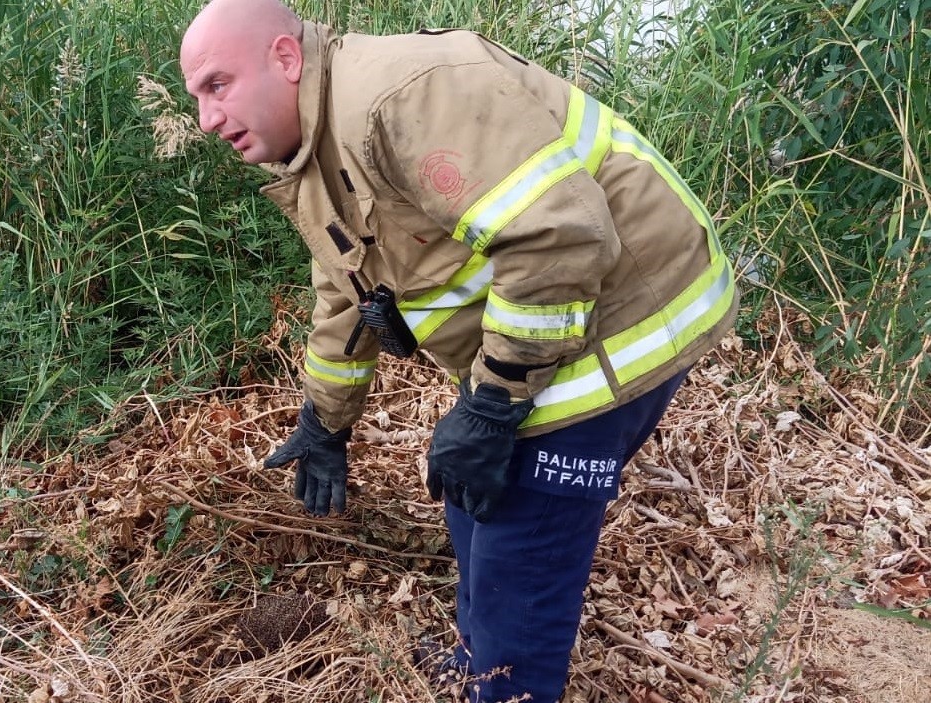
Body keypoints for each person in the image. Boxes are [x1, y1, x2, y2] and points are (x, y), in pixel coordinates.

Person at [179, 0, 738, 700]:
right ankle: (477, 660)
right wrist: (324, 421)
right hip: (560, 315)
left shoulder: (400, 98)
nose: (206, 120)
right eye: (197, 98)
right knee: (469, 497)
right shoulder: (320, 147)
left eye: (216, 85)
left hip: (626, 310)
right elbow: (345, 293)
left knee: (516, 543)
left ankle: (504, 682)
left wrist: (492, 402)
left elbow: (555, 239)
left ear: (285, 58)